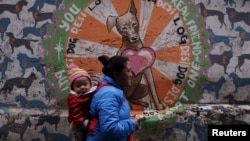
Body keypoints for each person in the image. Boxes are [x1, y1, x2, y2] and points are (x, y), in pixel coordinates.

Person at [86, 55, 139, 141]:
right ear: (117, 74)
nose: (131, 75)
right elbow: (110, 129)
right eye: (128, 71)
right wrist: (133, 124)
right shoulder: (109, 94)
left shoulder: (115, 91)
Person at [67, 63, 97, 141]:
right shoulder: (74, 99)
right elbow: (76, 114)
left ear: (90, 84)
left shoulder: (91, 92)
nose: (82, 87)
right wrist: (84, 123)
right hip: (78, 125)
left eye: (85, 84)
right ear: (73, 88)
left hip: (88, 122)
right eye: (78, 85)